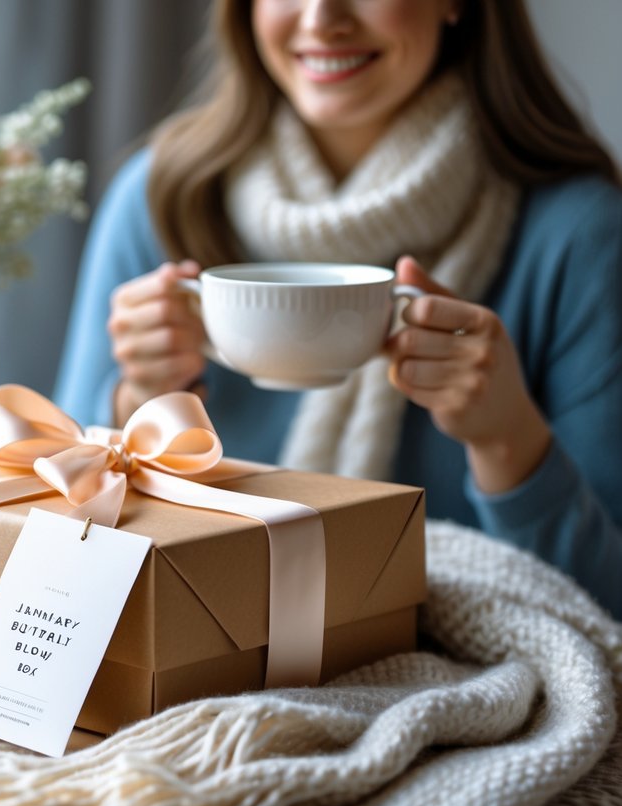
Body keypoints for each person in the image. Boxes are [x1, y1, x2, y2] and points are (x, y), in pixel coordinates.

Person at [54, 0, 622, 618]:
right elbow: (58, 538)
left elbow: (609, 609)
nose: (322, 18)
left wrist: (508, 439)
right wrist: (135, 404)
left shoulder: (580, 233)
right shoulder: (160, 199)